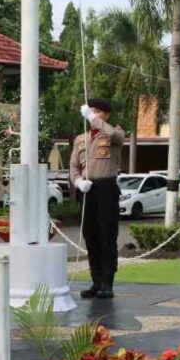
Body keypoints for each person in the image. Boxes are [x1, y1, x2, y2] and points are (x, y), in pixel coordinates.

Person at [69, 97, 126, 299]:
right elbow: (74, 166)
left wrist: (93, 118)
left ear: (106, 114)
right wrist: (77, 182)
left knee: (107, 236)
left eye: (98, 111)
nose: (93, 115)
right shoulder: (80, 139)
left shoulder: (113, 133)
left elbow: (115, 136)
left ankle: (107, 282)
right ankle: (96, 280)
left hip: (106, 188)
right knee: (90, 235)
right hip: (88, 189)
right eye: (91, 111)